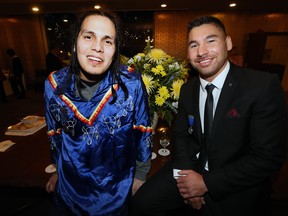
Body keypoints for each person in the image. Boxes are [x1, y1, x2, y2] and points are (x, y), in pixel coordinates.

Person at [131, 16, 287, 216]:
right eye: (194, 45)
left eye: (210, 41)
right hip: (191, 167)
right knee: (141, 204)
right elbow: (180, 135)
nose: (201, 52)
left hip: (235, 181)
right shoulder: (188, 89)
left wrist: (205, 183)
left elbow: (268, 158)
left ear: (228, 43)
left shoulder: (261, 86)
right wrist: (187, 179)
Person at [44, 10, 152, 216]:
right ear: (75, 43)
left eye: (108, 41)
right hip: (70, 188)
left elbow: (143, 130)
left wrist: (140, 175)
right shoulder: (53, 84)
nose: (97, 47)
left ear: (115, 49)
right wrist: (58, 170)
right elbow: (54, 133)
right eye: (88, 36)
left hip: (116, 188)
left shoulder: (131, 82)